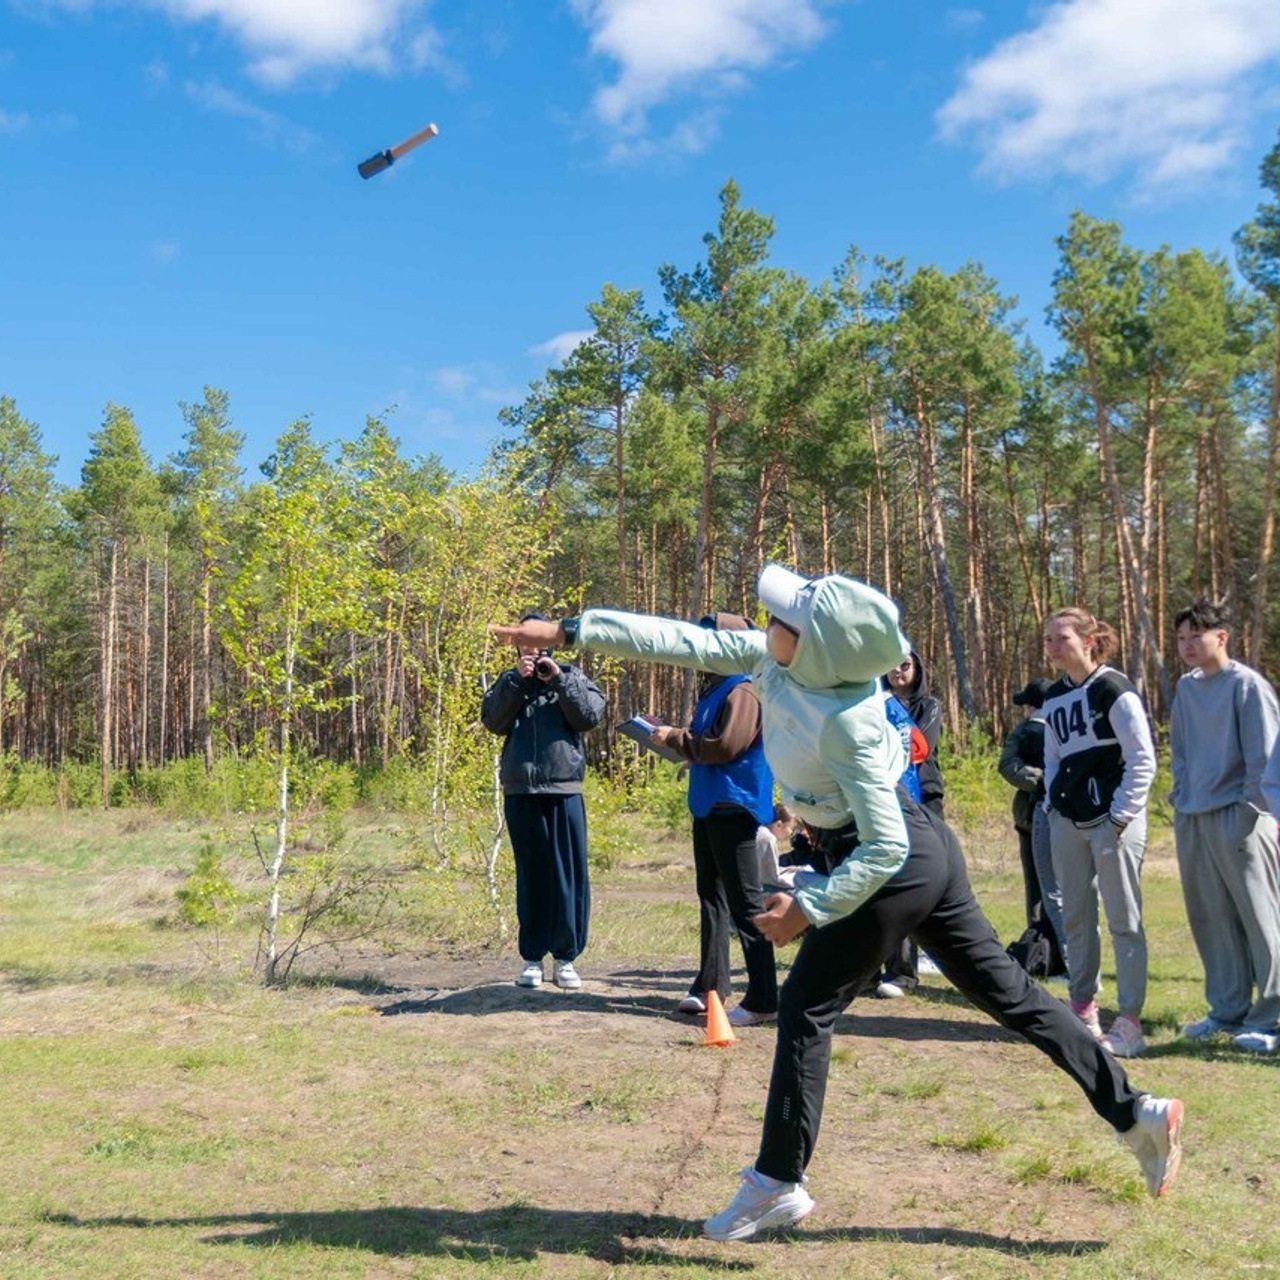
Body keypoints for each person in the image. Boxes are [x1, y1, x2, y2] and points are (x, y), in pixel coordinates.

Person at [492, 568, 1183, 1241]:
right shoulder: (776, 660)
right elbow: (683, 640)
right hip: (915, 850)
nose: (768, 623)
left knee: (805, 1004)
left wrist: (811, 906)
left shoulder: (849, 722)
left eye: (783, 619)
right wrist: (569, 630)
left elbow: (884, 849)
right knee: (1011, 996)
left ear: (816, 645)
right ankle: (1136, 1113)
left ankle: (776, 1180)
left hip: (895, 859)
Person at [649, 613, 778, 1026]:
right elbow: (709, 746)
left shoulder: (743, 688)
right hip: (709, 805)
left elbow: (726, 745)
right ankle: (711, 987)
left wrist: (675, 737)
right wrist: (678, 744)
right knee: (712, 897)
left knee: (746, 903)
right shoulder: (717, 689)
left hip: (734, 806)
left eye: (710, 642)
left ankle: (763, 997)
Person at [1042, 608, 1156, 1058]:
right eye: (1048, 639)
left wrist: (1120, 818)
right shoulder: (1054, 696)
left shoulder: (1113, 689)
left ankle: (1129, 1021)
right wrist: (1053, 806)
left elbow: (1142, 758)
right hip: (1068, 821)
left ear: (1088, 640)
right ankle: (1082, 1007)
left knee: (1123, 919)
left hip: (1113, 823)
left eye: (1062, 638)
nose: (1053, 647)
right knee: (1075, 916)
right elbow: (1052, 757)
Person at [1172, 598, 1280, 1055]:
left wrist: (1249, 810)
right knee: (1210, 918)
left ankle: (1272, 1018)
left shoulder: (1247, 685)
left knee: (1261, 918)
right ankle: (1226, 1009)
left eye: (1196, 636)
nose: (1187, 645)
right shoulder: (1186, 688)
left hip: (1241, 817)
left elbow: (1265, 758)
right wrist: (1181, 801)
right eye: (1181, 638)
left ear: (1222, 637)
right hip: (1194, 815)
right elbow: (1180, 751)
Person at [481, 611, 606, 990]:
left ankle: (566, 958)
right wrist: (517, 683)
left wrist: (560, 680)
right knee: (532, 877)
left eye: (538, 643)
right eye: (525, 643)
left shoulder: (571, 676)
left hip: (563, 790)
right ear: (518, 646)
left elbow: (589, 717)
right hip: (522, 792)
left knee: (568, 878)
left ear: (551, 644)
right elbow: (492, 722)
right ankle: (532, 958)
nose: (533, 650)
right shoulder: (508, 681)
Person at [998, 677, 1067, 977]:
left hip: (1038, 816)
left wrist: (1043, 781)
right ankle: (1048, 954)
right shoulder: (1063, 725)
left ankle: (1049, 954)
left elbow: (1006, 765)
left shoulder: (1028, 729)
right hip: (1057, 815)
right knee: (1055, 889)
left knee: (1044, 890)